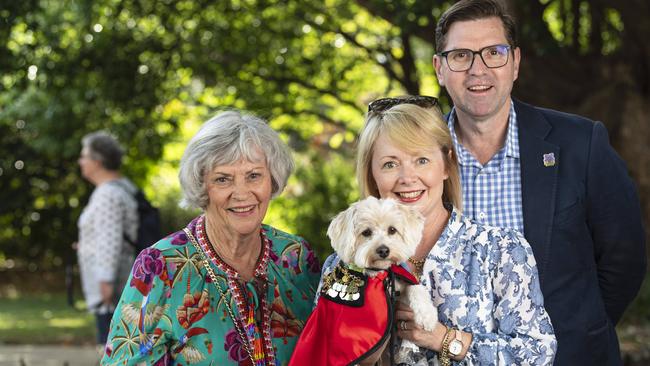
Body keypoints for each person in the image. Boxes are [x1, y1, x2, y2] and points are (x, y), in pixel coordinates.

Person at [432, 0, 647, 364]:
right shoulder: (421, 157)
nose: (477, 69)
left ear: (515, 62)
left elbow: (624, 258)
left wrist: (582, 326)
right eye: (461, 56)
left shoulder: (581, 143)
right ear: (439, 68)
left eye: (493, 53)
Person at [318, 96, 556, 365]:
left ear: (446, 164)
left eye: (421, 160)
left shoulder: (501, 250)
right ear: (372, 174)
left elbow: (538, 354)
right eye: (390, 164)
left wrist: (446, 339)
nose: (407, 177)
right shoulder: (342, 268)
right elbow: (320, 352)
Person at [100, 111, 321, 365]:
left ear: (272, 180)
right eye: (223, 179)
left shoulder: (295, 257)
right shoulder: (162, 267)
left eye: (253, 175)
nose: (241, 193)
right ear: (201, 186)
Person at [77, 131, 138, 345]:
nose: (80, 161)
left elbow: (110, 239)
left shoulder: (107, 194)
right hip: (120, 285)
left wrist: (105, 281)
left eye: (84, 156)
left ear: (97, 161)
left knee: (113, 349)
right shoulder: (122, 187)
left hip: (113, 291)